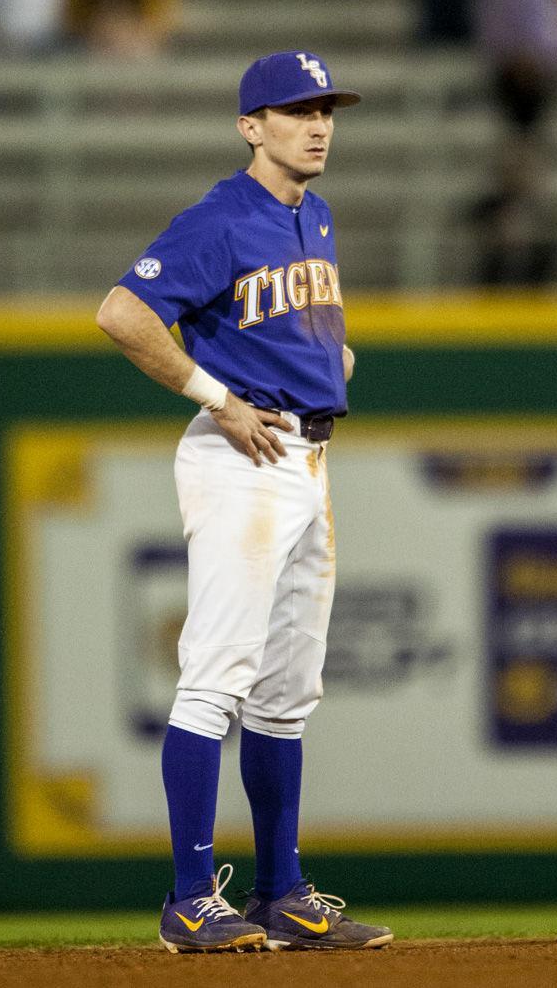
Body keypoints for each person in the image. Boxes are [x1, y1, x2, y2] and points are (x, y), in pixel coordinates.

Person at [96, 50, 394, 954]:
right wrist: (216, 397)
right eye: (296, 109)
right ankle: (190, 898)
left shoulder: (317, 212)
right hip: (242, 458)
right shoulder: (222, 216)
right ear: (250, 125)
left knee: (286, 692)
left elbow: (295, 322)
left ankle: (281, 893)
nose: (318, 124)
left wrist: (324, 363)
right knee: (215, 675)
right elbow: (121, 312)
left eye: (326, 109)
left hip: (307, 457)